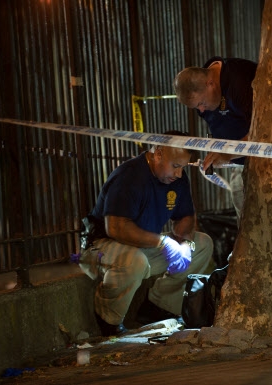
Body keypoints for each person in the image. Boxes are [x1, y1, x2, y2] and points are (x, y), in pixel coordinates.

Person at [77, 131, 215, 336]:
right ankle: (109, 320)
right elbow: (116, 228)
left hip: (143, 247)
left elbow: (185, 216)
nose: (179, 174)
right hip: (99, 248)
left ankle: (159, 307)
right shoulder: (129, 176)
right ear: (158, 153)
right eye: (176, 166)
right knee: (135, 261)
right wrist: (162, 242)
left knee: (202, 244)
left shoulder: (176, 179)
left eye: (182, 168)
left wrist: (183, 242)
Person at [173, 56, 257, 222]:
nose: (202, 110)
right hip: (240, 164)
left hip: (268, 159)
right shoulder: (203, 94)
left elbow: (264, 130)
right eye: (197, 107)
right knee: (244, 216)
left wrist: (228, 154)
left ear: (210, 83)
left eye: (202, 103)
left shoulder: (240, 80)